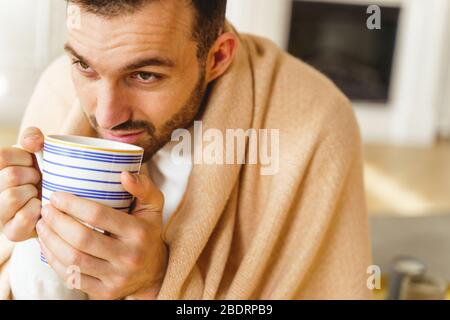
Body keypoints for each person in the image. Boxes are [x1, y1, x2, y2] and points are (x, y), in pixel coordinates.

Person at [0, 0, 372, 299]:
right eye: (85, 66)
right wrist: (26, 239)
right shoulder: (58, 86)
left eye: (144, 75)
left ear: (217, 58)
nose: (107, 114)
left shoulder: (314, 123)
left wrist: (156, 285)